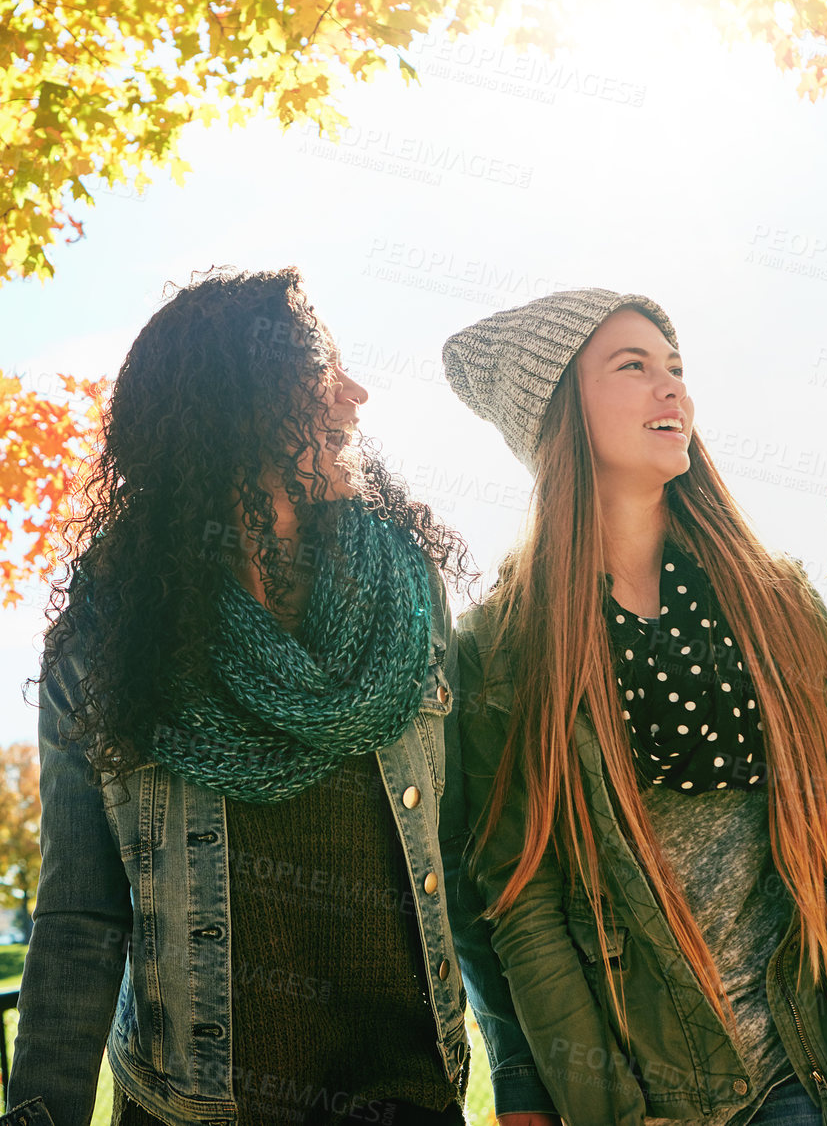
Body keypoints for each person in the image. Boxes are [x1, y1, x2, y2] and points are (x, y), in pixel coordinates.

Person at [8, 268, 558, 1126]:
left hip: (409, 1097)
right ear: (240, 398)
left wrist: (517, 1073)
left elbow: (462, 852)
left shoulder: (405, 587)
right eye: (322, 371)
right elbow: (80, 912)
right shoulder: (112, 625)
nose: (355, 394)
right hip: (194, 1106)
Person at [441, 287, 827, 1126]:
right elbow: (523, 902)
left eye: (676, 369)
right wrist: (610, 1115)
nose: (674, 391)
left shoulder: (774, 602)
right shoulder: (504, 646)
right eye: (633, 367)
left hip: (803, 1078)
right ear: (559, 411)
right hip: (645, 1091)